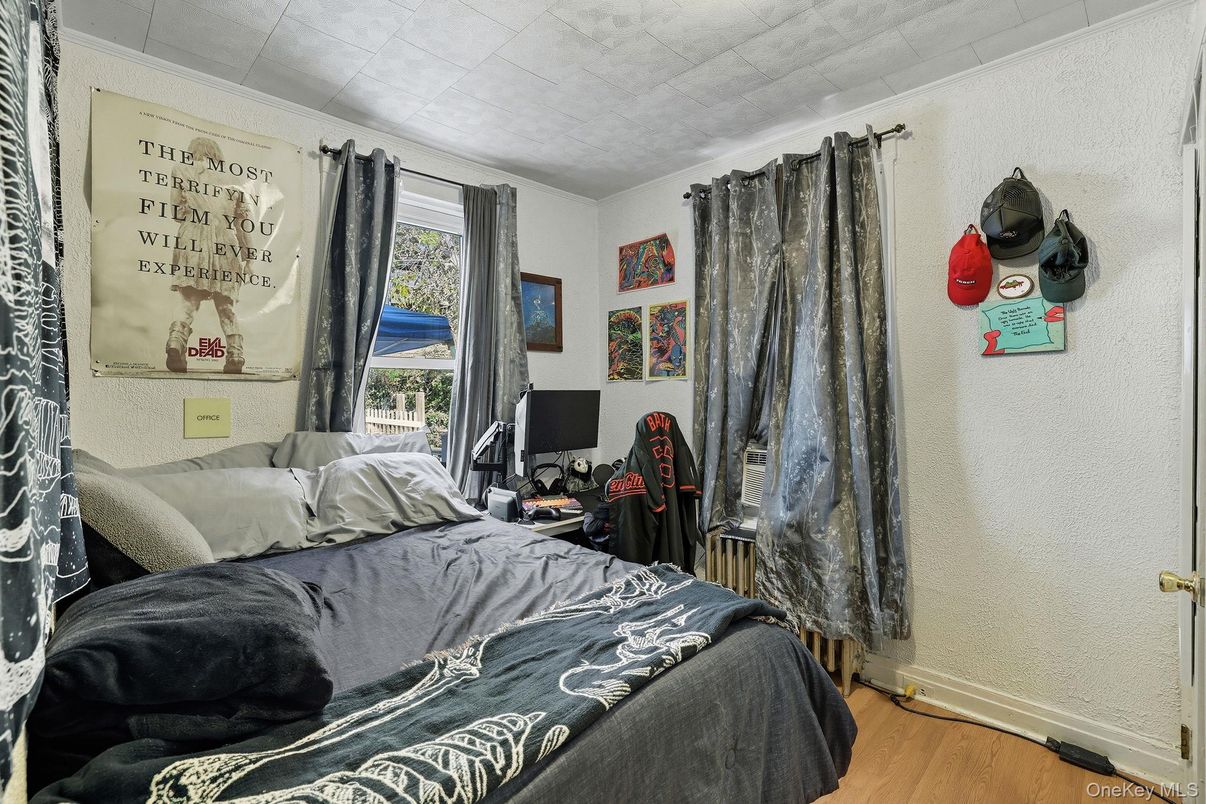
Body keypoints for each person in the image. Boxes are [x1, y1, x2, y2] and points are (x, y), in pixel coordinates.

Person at [164, 137, 251, 374]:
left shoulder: (180, 170)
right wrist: (249, 258)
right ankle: (235, 354)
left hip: (192, 238)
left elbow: (176, 213)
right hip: (225, 241)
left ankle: (176, 341)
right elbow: (242, 224)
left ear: (192, 152)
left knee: (188, 301)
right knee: (226, 305)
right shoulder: (234, 181)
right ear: (218, 154)